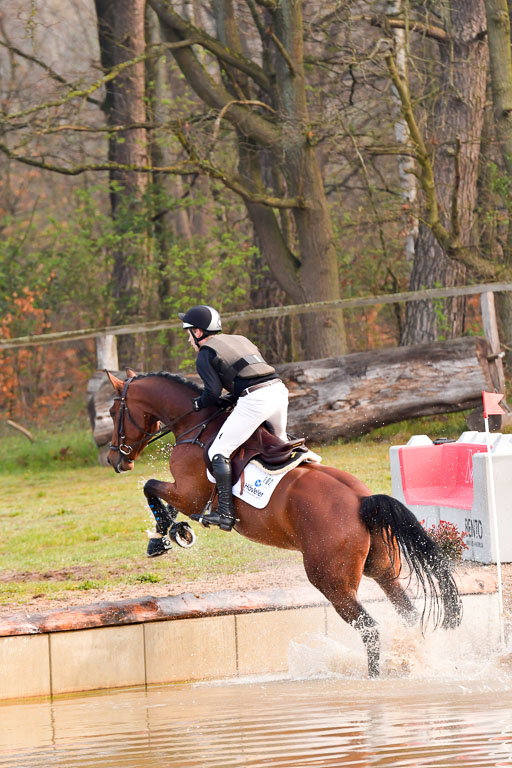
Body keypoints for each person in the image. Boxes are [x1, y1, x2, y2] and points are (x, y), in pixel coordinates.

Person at [179, 304, 289, 531]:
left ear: (197, 332)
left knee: (218, 451)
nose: (188, 339)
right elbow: (247, 374)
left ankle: (225, 513)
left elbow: (211, 393)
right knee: (281, 443)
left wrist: (198, 403)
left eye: (188, 332)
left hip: (256, 399)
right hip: (278, 391)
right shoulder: (240, 339)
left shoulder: (205, 354)